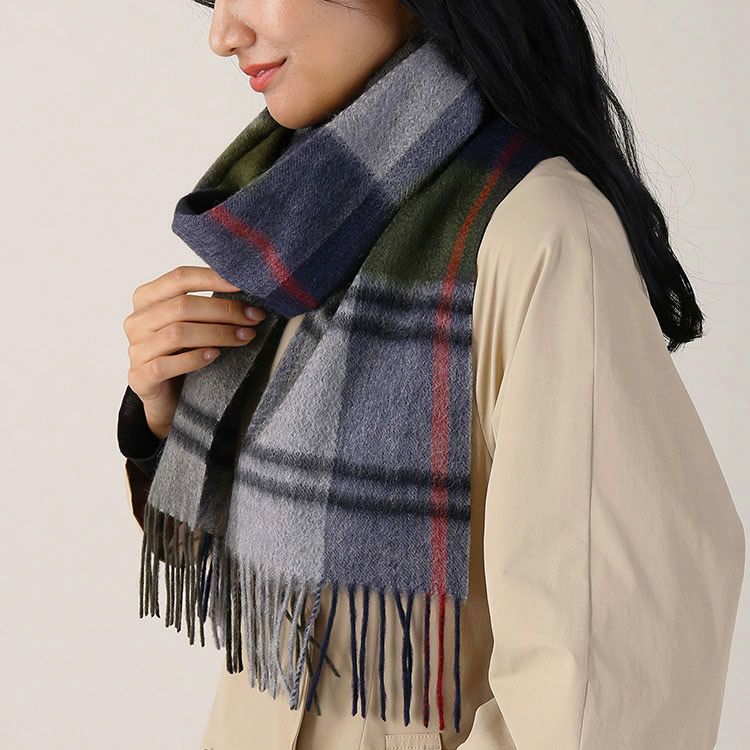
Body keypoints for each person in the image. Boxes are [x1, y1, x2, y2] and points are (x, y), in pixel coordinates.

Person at [116, 2, 745, 749]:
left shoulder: (539, 232)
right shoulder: (299, 218)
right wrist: (161, 421)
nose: (222, 34)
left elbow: (614, 674)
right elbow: (264, 579)